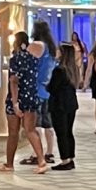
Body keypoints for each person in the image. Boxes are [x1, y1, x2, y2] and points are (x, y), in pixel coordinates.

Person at [0, 29, 49, 173]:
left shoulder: (15, 59)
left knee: (13, 132)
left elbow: (14, 81)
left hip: (17, 97)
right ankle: (41, 160)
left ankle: (9, 164)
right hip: (31, 96)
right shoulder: (34, 59)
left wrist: (15, 103)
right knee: (31, 130)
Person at [45, 26, 81, 171]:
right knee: (69, 132)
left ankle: (65, 160)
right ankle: (71, 158)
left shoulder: (59, 70)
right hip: (71, 104)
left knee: (61, 132)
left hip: (59, 105)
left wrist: (46, 85)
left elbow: (52, 88)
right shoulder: (73, 70)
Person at [28, 22, 59, 163]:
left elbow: (25, 63)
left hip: (35, 89)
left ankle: (37, 154)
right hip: (49, 89)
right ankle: (49, 152)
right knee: (48, 124)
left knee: (35, 124)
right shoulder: (52, 48)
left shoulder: (36, 46)